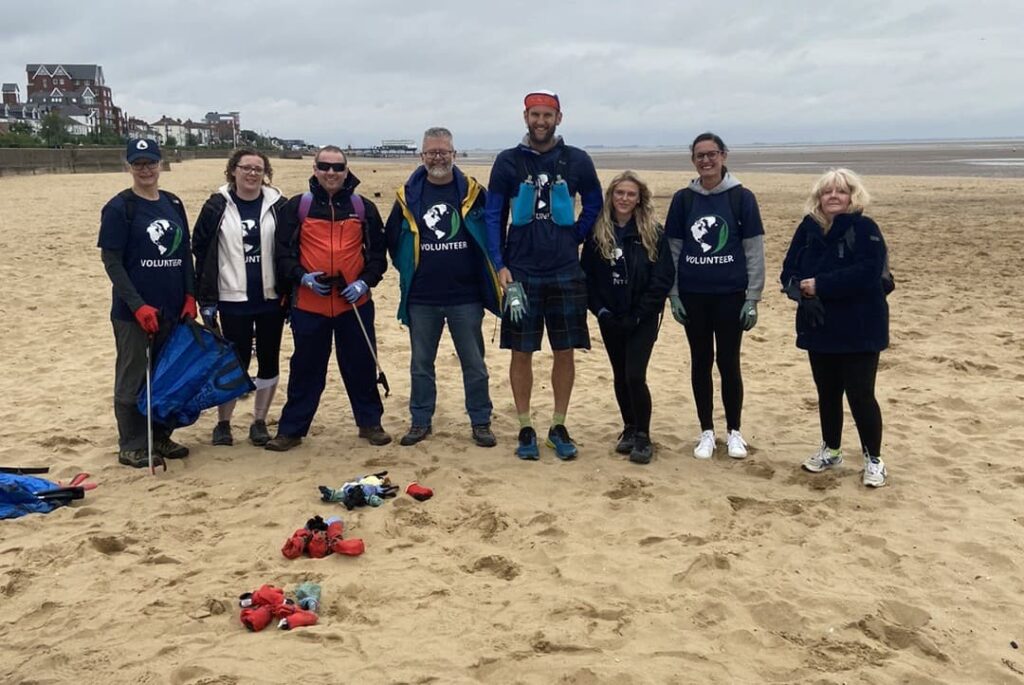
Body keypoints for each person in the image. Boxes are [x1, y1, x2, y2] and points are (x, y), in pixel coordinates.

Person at [484, 90, 603, 461]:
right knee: (522, 351)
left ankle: (558, 424)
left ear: (559, 118)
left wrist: (577, 235)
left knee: (564, 350)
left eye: (547, 115)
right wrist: (499, 263)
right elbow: (493, 215)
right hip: (521, 273)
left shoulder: (577, 160)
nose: (541, 121)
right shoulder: (507, 162)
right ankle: (524, 425)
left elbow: (596, 202)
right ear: (525, 118)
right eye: (534, 115)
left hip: (566, 271)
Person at [265, 145, 391, 450]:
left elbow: (377, 257)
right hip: (311, 305)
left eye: (337, 167)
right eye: (325, 166)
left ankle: (370, 423)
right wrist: (301, 277)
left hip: (354, 305)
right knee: (306, 369)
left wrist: (363, 283)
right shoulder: (297, 207)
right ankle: (291, 430)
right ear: (315, 169)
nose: (331, 173)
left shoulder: (363, 208)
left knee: (360, 365)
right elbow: (282, 255)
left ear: (346, 170)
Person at [385, 127, 502, 447]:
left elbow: (494, 231)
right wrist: (409, 269)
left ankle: (480, 421)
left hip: (466, 297)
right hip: (422, 298)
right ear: (421, 156)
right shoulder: (408, 195)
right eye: (431, 152)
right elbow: (393, 240)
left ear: (454, 153)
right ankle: (421, 420)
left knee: (475, 365)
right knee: (421, 365)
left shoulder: (474, 193)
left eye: (444, 151)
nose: (438, 157)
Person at [779, 168, 889, 487]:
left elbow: (868, 273)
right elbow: (789, 270)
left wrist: (822, 285)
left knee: (860, 394)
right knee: (827, 392)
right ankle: (832, 448)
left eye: (841, 191)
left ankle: (874, 458)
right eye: (827, 192)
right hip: (819, 324)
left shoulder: (865, 228)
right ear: (819, 198)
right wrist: (799, 290)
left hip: (861, 325)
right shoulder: (808, 228)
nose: (834, 197)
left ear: (852, 197)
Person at [664, 132, 765, 460]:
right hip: (694, 295)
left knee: (729, 362)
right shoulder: (684, 199)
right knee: (700, 361)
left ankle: (734, 431)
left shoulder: (741, 197)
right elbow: (674, 249)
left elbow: (753, 250)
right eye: (699, 156)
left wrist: (753, 298)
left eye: (712, 154)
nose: (706, 160)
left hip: (731, 295)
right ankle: (706, 431)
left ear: (723, 155)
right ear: (693, 160)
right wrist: (674, 293)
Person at [98, 139, 196, 468]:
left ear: (160, 164)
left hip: (172, 309)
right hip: (133, 313)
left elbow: (184, 256)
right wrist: (138, 306)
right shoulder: (119, 208)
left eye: (151, 162)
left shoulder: (173, 203)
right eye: (138, 163)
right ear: (128, 166)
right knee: (132, 378)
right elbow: (112, 262)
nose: (146, 169)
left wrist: (189, 296)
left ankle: (160, 436)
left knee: (165, 376)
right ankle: (133, 444)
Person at [192, 148, 287, 447]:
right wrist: (206, 300)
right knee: (235, 362)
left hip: (271, 299)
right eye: (246, 168)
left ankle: (259, 421)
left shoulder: (278, 205)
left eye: (258, 169)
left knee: (269, 361)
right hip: (233, 299)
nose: (252, 174)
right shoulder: (216, 206)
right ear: (233, 170)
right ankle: (223, 423)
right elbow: (201, 250)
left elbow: (289, 248)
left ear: (265, 173)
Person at [580, 171, 674, 464]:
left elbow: (662, 278)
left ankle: (644, 435)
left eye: (630, 194)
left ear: (639, 198)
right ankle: (630, 428)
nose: (624, 199)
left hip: (641, 318)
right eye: (620, 193)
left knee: (635, 375)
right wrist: (602, 311)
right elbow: (588, 277)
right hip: (611, 317)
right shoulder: (599, 232)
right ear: (612, 196)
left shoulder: (653, 232)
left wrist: (639, 314)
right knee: (620, 375)